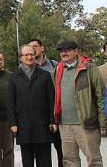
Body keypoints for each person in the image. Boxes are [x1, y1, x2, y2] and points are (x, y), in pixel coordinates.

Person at [54, 40, 105, 167]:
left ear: (76, 51)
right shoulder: (58, 69)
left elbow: (101, 96)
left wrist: (103, 122)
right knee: (69, 161)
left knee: (93, 160)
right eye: (61, 51)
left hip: (85, 123)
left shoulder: (89, 68)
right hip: (64, 124)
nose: (64, 53)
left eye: (67, 50)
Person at [9, 45, 57, 167]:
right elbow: (11, 102)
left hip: (43, 126)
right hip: (23, 126)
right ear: (21, 58)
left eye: (31, 54)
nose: (29, 57)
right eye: (26, 55)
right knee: (27, 162)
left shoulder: (45, 75)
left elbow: (52, 99)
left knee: (45, 161)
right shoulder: (14, 77)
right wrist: (13, 123)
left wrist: (53, 121)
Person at [28, 38, 63, 166]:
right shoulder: (25, 68)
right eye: (30, 47)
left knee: (61, 149)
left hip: (56, 112)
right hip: (39, 116)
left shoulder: (55, 65)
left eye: (35, 46)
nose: (33, 49)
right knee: (40, 152)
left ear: (42, 48)